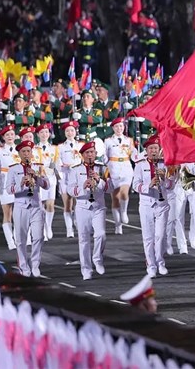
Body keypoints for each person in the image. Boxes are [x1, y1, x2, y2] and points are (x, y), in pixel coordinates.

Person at [67, 141, 110, 280]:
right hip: (82, 207)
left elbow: (110, 188)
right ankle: (86, 269)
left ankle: (97, 258)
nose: (90, 155)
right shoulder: (75, 170)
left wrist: (99, 181)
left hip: (98, 206)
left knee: (101, 234)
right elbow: (70, 189)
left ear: (96, 154)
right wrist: (83, 187)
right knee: (84, 239)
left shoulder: (102, 168)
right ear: (82, 155)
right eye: (87, 153)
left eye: (92, 152)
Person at [6, 140, 49, 277]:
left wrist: (36, 177)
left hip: (36, 206)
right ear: (19, 154)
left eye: (28, 151)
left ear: (32, 153)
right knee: (21, 240)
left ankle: (35, 265)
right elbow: (9, 189)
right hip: (21, 206)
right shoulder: (13, 169)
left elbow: (47, 185)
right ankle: (24, 267)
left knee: (39, 237)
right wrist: (21, 184)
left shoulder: (38, 167)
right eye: (23, 151)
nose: (26, 154)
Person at [132, 135, 173, 277]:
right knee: (148, 237)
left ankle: (160, 262)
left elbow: (171, 185)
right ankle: (151, 265)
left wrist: (164, 179)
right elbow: (135, 185)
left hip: (161, 204)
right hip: (146, 204)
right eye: (151, 149)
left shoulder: (165, 164)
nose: (153, 151)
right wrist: (148, 185)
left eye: (156, 148)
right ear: (146, 150)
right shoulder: (140, 164)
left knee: (160, 235)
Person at [103, 117, 135, 234]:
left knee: (124, 193)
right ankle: (118, 225)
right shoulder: (108, 141)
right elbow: (104, 155)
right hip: (114, 167)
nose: (119, 128)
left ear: (124, 127)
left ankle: (124, 211)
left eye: (121, 126)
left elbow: (134, 154)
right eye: (116, 126)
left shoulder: (129, 140)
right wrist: (105, 162)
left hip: (126, 167)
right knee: (115, 198)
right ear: (113, 128)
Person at [55, 121, 82, 238]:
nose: (70, 133)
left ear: (75, 132)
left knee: (78, 203)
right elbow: (57, 162)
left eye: (72, 130)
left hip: (78, 178)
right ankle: (69, 229)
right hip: (65, 177)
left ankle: (76, 221)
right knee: (67, 204)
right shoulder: (60, 147)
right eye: (67, 131)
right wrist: (62, 167)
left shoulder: (80, 145)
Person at [33, 124, 58, 241]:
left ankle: (49, 226)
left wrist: (49, 171)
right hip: (39, 179)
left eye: (47, 132)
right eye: (42, 132)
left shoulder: (54, 148)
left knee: (50, 204)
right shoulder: (34, 148)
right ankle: (42, 228)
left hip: (51, 178)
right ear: (38, 135)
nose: (44, 134)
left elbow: (55, 162)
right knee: (40, 205)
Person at [0, 125, 19, 250]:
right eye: (7, 135)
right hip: (4, 181)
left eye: (11, 134)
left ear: (15, 136)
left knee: (18, 212)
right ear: (3, 137)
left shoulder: (20, 149)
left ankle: (17, 237)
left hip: (18, 182)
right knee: (7, 212)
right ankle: (10, 241)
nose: (10, 137)